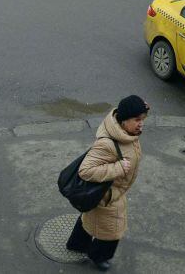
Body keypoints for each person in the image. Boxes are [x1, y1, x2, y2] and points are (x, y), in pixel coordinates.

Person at [66, 95, 149, 271]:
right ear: (124, 121)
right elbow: (85, 171)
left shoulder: (127, 131)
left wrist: (142, 108)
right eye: (137, 119)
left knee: (89, 218)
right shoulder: (107, 144)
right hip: (108, 196)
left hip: (111, 192)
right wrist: (117, 168)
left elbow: (134, 115)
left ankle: (76, 244)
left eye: (143, 118)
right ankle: (99, 257)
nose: (141, 123)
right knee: (113, 230)